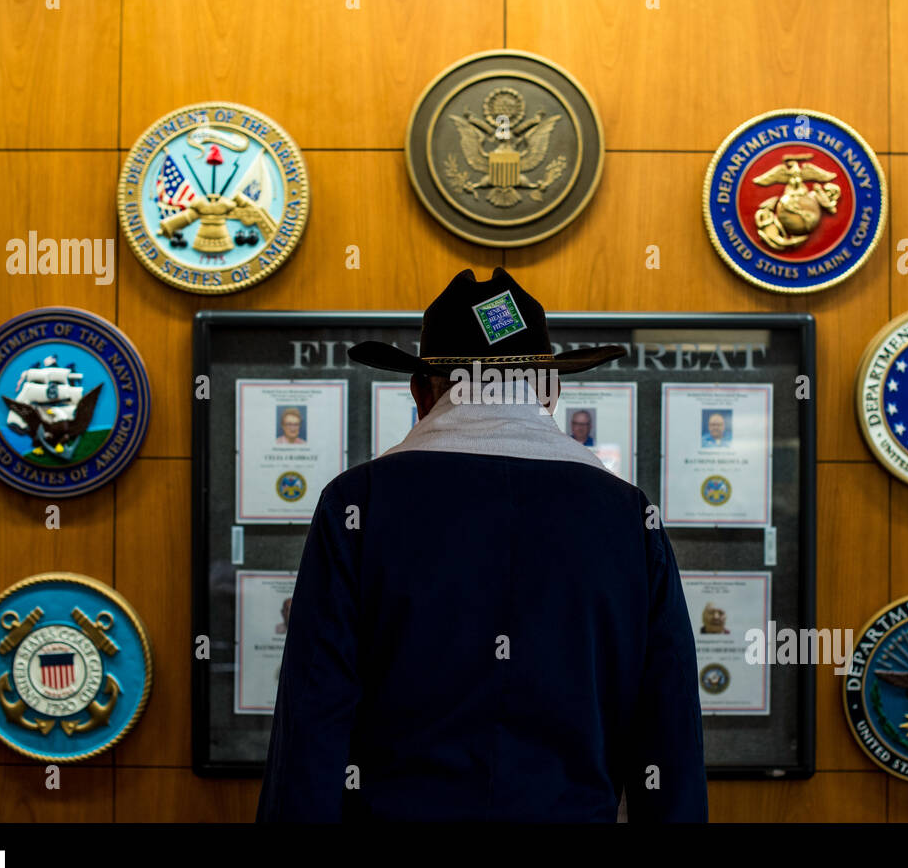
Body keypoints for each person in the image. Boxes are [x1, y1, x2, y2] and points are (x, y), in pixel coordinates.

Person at [257, 266, 707, 822]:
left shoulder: (359, 503)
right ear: (551, 389)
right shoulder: (629, 516)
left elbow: (313, 716)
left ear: (421, 390)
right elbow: (670, 728)